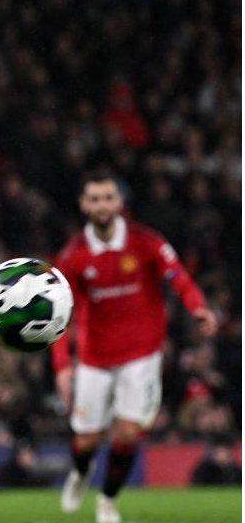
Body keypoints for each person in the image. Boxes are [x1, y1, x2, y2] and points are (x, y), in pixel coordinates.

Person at [52, 170, 218, 523]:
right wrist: (63, 366)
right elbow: (60, 315)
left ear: (120, 202)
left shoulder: (146, 242)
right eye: (94, 199)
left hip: (141, 355)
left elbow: (179, 277)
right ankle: (81, 473)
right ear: (84, 204)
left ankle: (108, 501)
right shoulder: (74, 256)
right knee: (86, 441)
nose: (102, 205)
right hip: (95, 358)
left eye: (108, 198)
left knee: (128, 432)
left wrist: (198, 307)